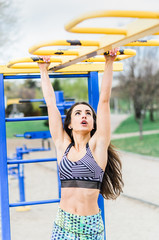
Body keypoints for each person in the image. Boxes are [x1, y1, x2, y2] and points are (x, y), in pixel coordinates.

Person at [38, 48, 124, 240]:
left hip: (90, 227)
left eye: (87, 113)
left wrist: (109, 61)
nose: (84, 115)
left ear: (94, 123)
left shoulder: (97, 146)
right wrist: (43, 69)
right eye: (78, 113)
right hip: (63, 223)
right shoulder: (62, 146)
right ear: (69, 124)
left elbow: (104, 101)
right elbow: (51, 104)